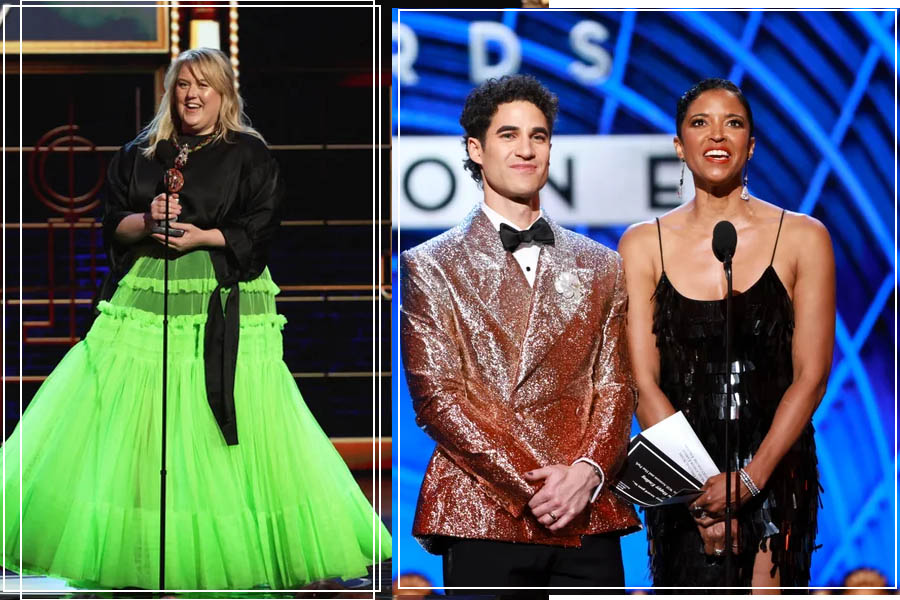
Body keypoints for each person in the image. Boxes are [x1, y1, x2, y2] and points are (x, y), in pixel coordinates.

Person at [2, 47, 390, 590]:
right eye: (184, 84)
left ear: (224, 94)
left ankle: (219, 558)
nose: (192, 94)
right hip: (146, 307)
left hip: (225, 306)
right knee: (137, 425)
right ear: (171, 91)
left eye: (204, 85)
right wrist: (145, 218)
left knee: (216, 429)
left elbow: (264, 224)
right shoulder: (143, 153)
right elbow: (111, 221)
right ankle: (139, 558)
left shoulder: (249, 154)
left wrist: (208, 236)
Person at [399, 74, 640, 596]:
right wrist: (532, 484)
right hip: (484, 506)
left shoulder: (602, 264)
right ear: (475, 149)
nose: (526, 149)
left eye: (539, 135)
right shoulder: (430, 265)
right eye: (508, 135)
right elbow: (437, 399)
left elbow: (618, 386)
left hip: (585, 509)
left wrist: (586, 472)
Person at [618, 77, 835, 591]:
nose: (717, 135)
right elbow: (642, 382)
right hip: (682, 481)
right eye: (700, 123)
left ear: (751, 145)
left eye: (733, 123)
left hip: (775, 469)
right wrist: (701, 491)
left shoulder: (804, 237)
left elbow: (810, 376)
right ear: (679, 145)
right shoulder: (642, 245)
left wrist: (753, 478)